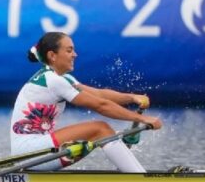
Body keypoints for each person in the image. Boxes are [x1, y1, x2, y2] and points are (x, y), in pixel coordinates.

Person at [10, 32, 163, 172]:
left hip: (39, 149)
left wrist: (132, 98)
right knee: (100, 129)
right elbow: (101, 106)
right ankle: (137, 177)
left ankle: (135, 173)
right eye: (69, 51)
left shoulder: (64, 79)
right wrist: (142, 119)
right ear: (52, 55)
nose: (75, 55)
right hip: (29, 154)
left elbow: (99, 94)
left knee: (103, 131)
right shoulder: (53, 80)